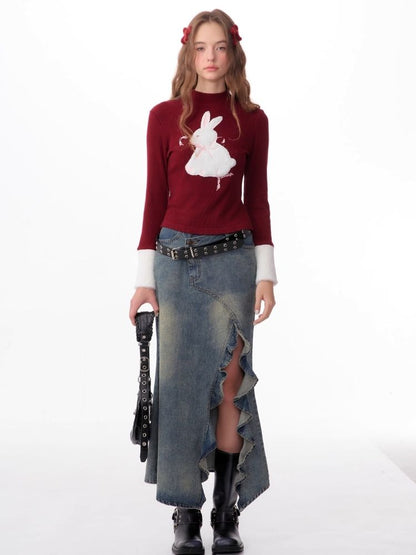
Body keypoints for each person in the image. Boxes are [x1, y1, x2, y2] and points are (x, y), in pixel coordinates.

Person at [129, 9, 277, 554]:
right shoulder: (164, 116)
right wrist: (144, 280)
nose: (210, 57)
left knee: (231, 386)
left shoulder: (252, 119)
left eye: (219, 47)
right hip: (174, 264)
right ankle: (186, 514)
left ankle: (225, 512)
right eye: (200, 48)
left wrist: (266, 274)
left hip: (233, 264)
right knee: (181, 386)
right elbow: (154, 199)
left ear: (232, 52)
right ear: (188, 54)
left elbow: (257, 199)